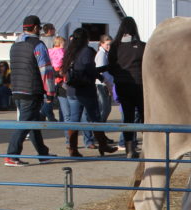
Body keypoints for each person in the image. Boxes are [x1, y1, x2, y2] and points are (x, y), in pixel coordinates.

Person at [6, 14, 55, 166]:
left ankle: (43, 153)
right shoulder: (38, 45)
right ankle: (11, 155)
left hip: (17, 89)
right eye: (39, 28)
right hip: (32, 90)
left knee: (33, 122)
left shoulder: (15, 45)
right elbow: (45, 70)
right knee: (25, 123)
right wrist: (50, 92)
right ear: (35, 28)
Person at [62, 28, 117, 157]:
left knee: (74, 120)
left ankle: (73, 148)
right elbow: (90, 69)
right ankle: (103, 145)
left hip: (72, 89)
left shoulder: (70, 51)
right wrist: (102, 78)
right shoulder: (86, 51)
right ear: (85, 39)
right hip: (85, 89)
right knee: (95, 117)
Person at [108, 17, 145, 158]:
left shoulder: (114, 47)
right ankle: (147, 146)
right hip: (139, 85)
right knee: (144, 117)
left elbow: (111, 68)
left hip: (122, 86)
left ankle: (129, 149)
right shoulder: (142, 46)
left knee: (128, 117)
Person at [94, 34, 114, 123]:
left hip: (105, 84)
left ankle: (99, 131)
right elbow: (100, 72)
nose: (109, 46)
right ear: (101, 44)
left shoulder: (105, 53)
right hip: (102, 84)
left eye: (110, 44)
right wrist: (109, 86)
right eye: (107, 44)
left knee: (106, 108)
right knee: (104, 109)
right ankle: (99, 131)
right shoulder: (101, 54)